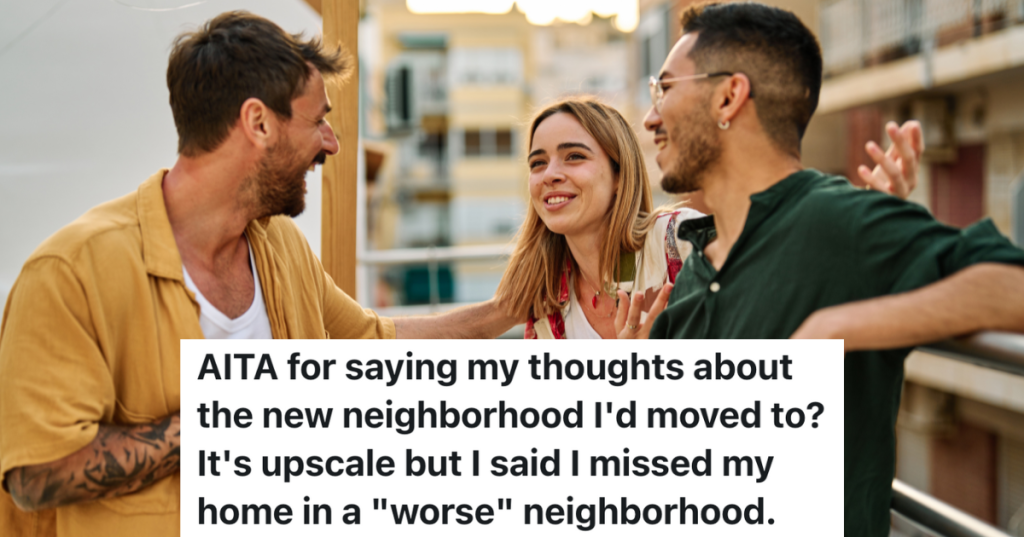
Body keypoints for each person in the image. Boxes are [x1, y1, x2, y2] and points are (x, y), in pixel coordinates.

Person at [0, 11, 506, 537]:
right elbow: (37, 474)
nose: (331, 143)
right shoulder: (70, 272)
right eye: (317, 120)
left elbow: (371, 342)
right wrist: (237, 411)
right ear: (258, 123)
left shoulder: (281, 245)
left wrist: (503, 313)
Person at [641, 3, 1024, 535]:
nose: (651, 117)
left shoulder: (839, 222)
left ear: (728, 96)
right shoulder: (692, 273)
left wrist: (837, 327)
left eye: (664, 88)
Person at [494, 96, 922, 339]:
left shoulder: (677, 241)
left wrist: (865, 220)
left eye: (573, 156)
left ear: (620, 175)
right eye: (537, 163)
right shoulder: (549, 301)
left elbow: (782, 263)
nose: (550, 175)